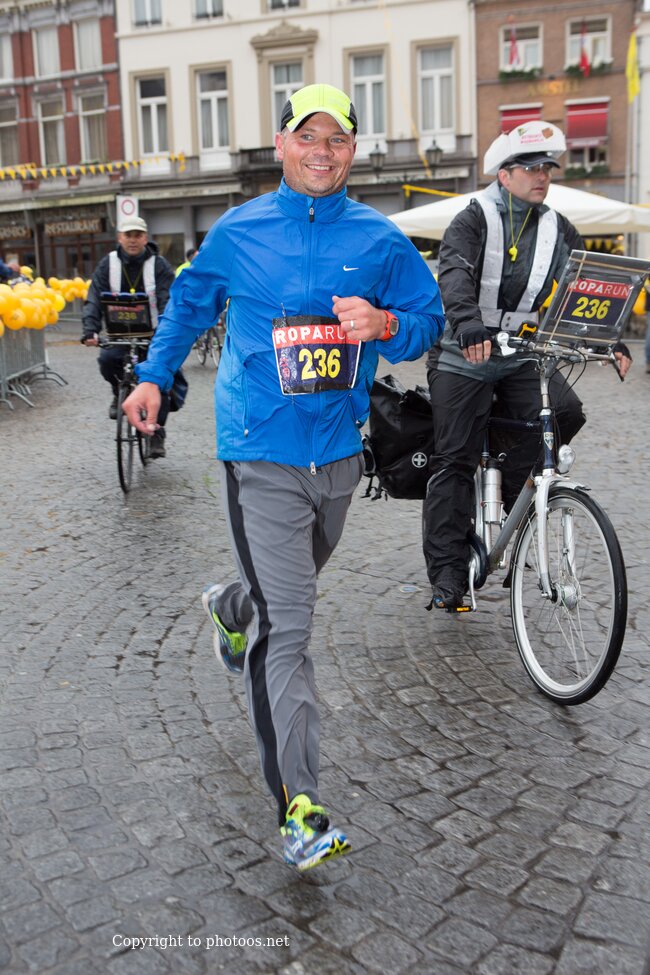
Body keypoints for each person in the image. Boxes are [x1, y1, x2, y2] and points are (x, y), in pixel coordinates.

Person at [122, 83, 444, 871]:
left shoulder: (379, 238)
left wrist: (388, 323)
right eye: (308, 136)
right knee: (290, 626)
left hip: (337, 456)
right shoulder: (239, 230)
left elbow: (429, 318)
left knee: (278, 591)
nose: (321, 152)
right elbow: (189, 304)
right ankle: (300, 804)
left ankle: (229, 606)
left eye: (336, 139)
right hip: (259, 449)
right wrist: (154, 376)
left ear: (353, 151)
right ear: (282, 144)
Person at [422, 120, 632, 611]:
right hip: (464, 352)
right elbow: (454, 273)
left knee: (566, 411)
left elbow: (584, 286)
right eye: (531, 168)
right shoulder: (472, 220)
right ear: (504, 174)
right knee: (454, 458)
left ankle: (516, 490)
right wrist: (467, 322)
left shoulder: (558, 228)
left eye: (547, 169)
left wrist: (610, 335)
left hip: (519, 352)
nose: (542, 176)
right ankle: (449, 572)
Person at [81, 216, 179, 458]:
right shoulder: (108, 264)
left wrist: (168, 332)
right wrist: (90, 330)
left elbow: (169, 300)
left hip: (153, 335)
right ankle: (119, 392)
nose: (133, 240)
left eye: (138, 235)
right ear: (120, 238)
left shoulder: (159, 265)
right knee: (107, 361)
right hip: (119, 333)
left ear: (145, 238)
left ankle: (156, 432)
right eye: (128, 235)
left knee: (159, 382)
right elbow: (94, 297)